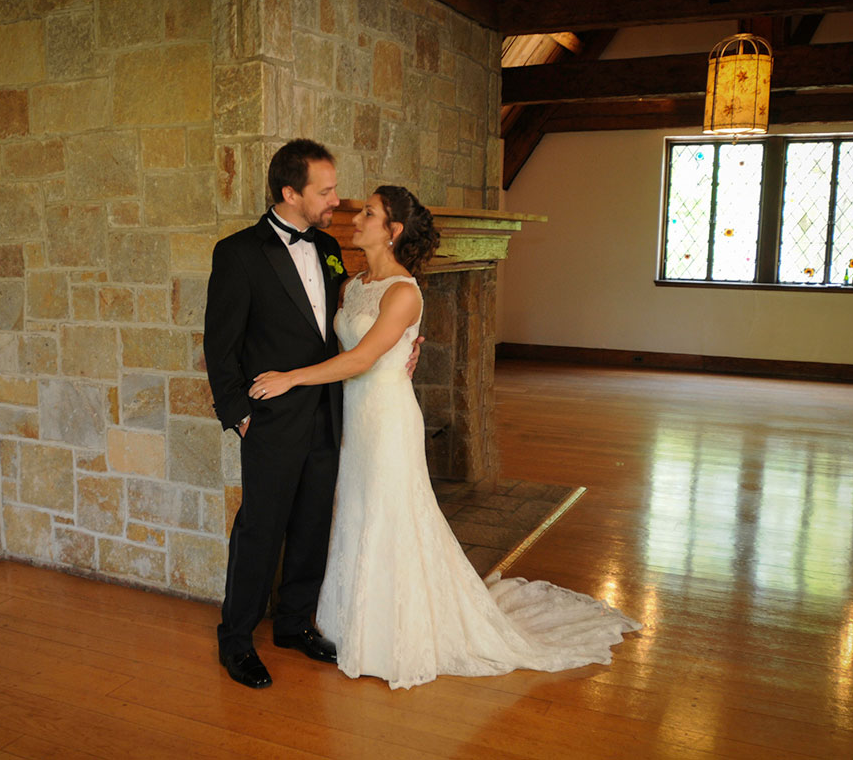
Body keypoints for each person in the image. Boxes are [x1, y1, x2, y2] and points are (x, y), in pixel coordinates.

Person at [249, 185, 641, 690]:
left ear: (391, 232)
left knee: (392, 516)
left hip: (389, 421)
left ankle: (398, 631)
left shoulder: (404, 292)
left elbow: (364, 358)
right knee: (358, 513)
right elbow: (337, 339)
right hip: (355, 421)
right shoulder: (353, 284)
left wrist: (290, 377)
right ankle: (354, 623)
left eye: (368, 213)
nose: (356, 217)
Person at [204, 139, 420, 689]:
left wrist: (404, 353)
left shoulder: (328, 248)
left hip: (330, 414)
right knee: (261, 529)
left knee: (310, 525)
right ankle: (237, 641)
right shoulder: (238, 253)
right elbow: (219, 345)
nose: (337, 199)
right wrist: (239, 414)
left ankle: (294, 624)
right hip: (271, 419)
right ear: (290, 193)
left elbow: (351, 329)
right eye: (325, 190)